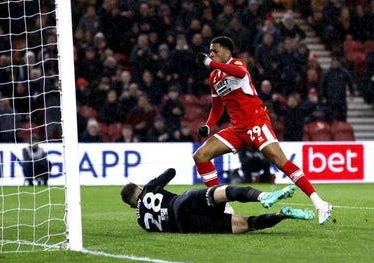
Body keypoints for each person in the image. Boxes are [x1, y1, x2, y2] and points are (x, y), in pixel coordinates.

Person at [194, 36, 333, 225]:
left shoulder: (236, 63)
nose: (211, 54)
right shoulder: (214, 77)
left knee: (280, 161)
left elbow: (241, 74)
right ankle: (224, 206)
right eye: (209, 52)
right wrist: (209, 125)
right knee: (201, 155)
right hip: (238, 129)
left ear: (227, 53)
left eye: (215, 51)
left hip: (256, 123)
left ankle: (320, 203)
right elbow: (217, 107)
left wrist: (210, 63)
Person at [120, 168, 314, 234]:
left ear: (131, 205)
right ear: (139, 188)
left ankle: (281, 215)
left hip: (186, 225)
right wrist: (151, 185)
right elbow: (171, 171)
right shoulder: (150, 188)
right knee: (226, 192)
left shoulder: (141, 222)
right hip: (183, 202)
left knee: (248, 224)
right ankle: (263, 196)